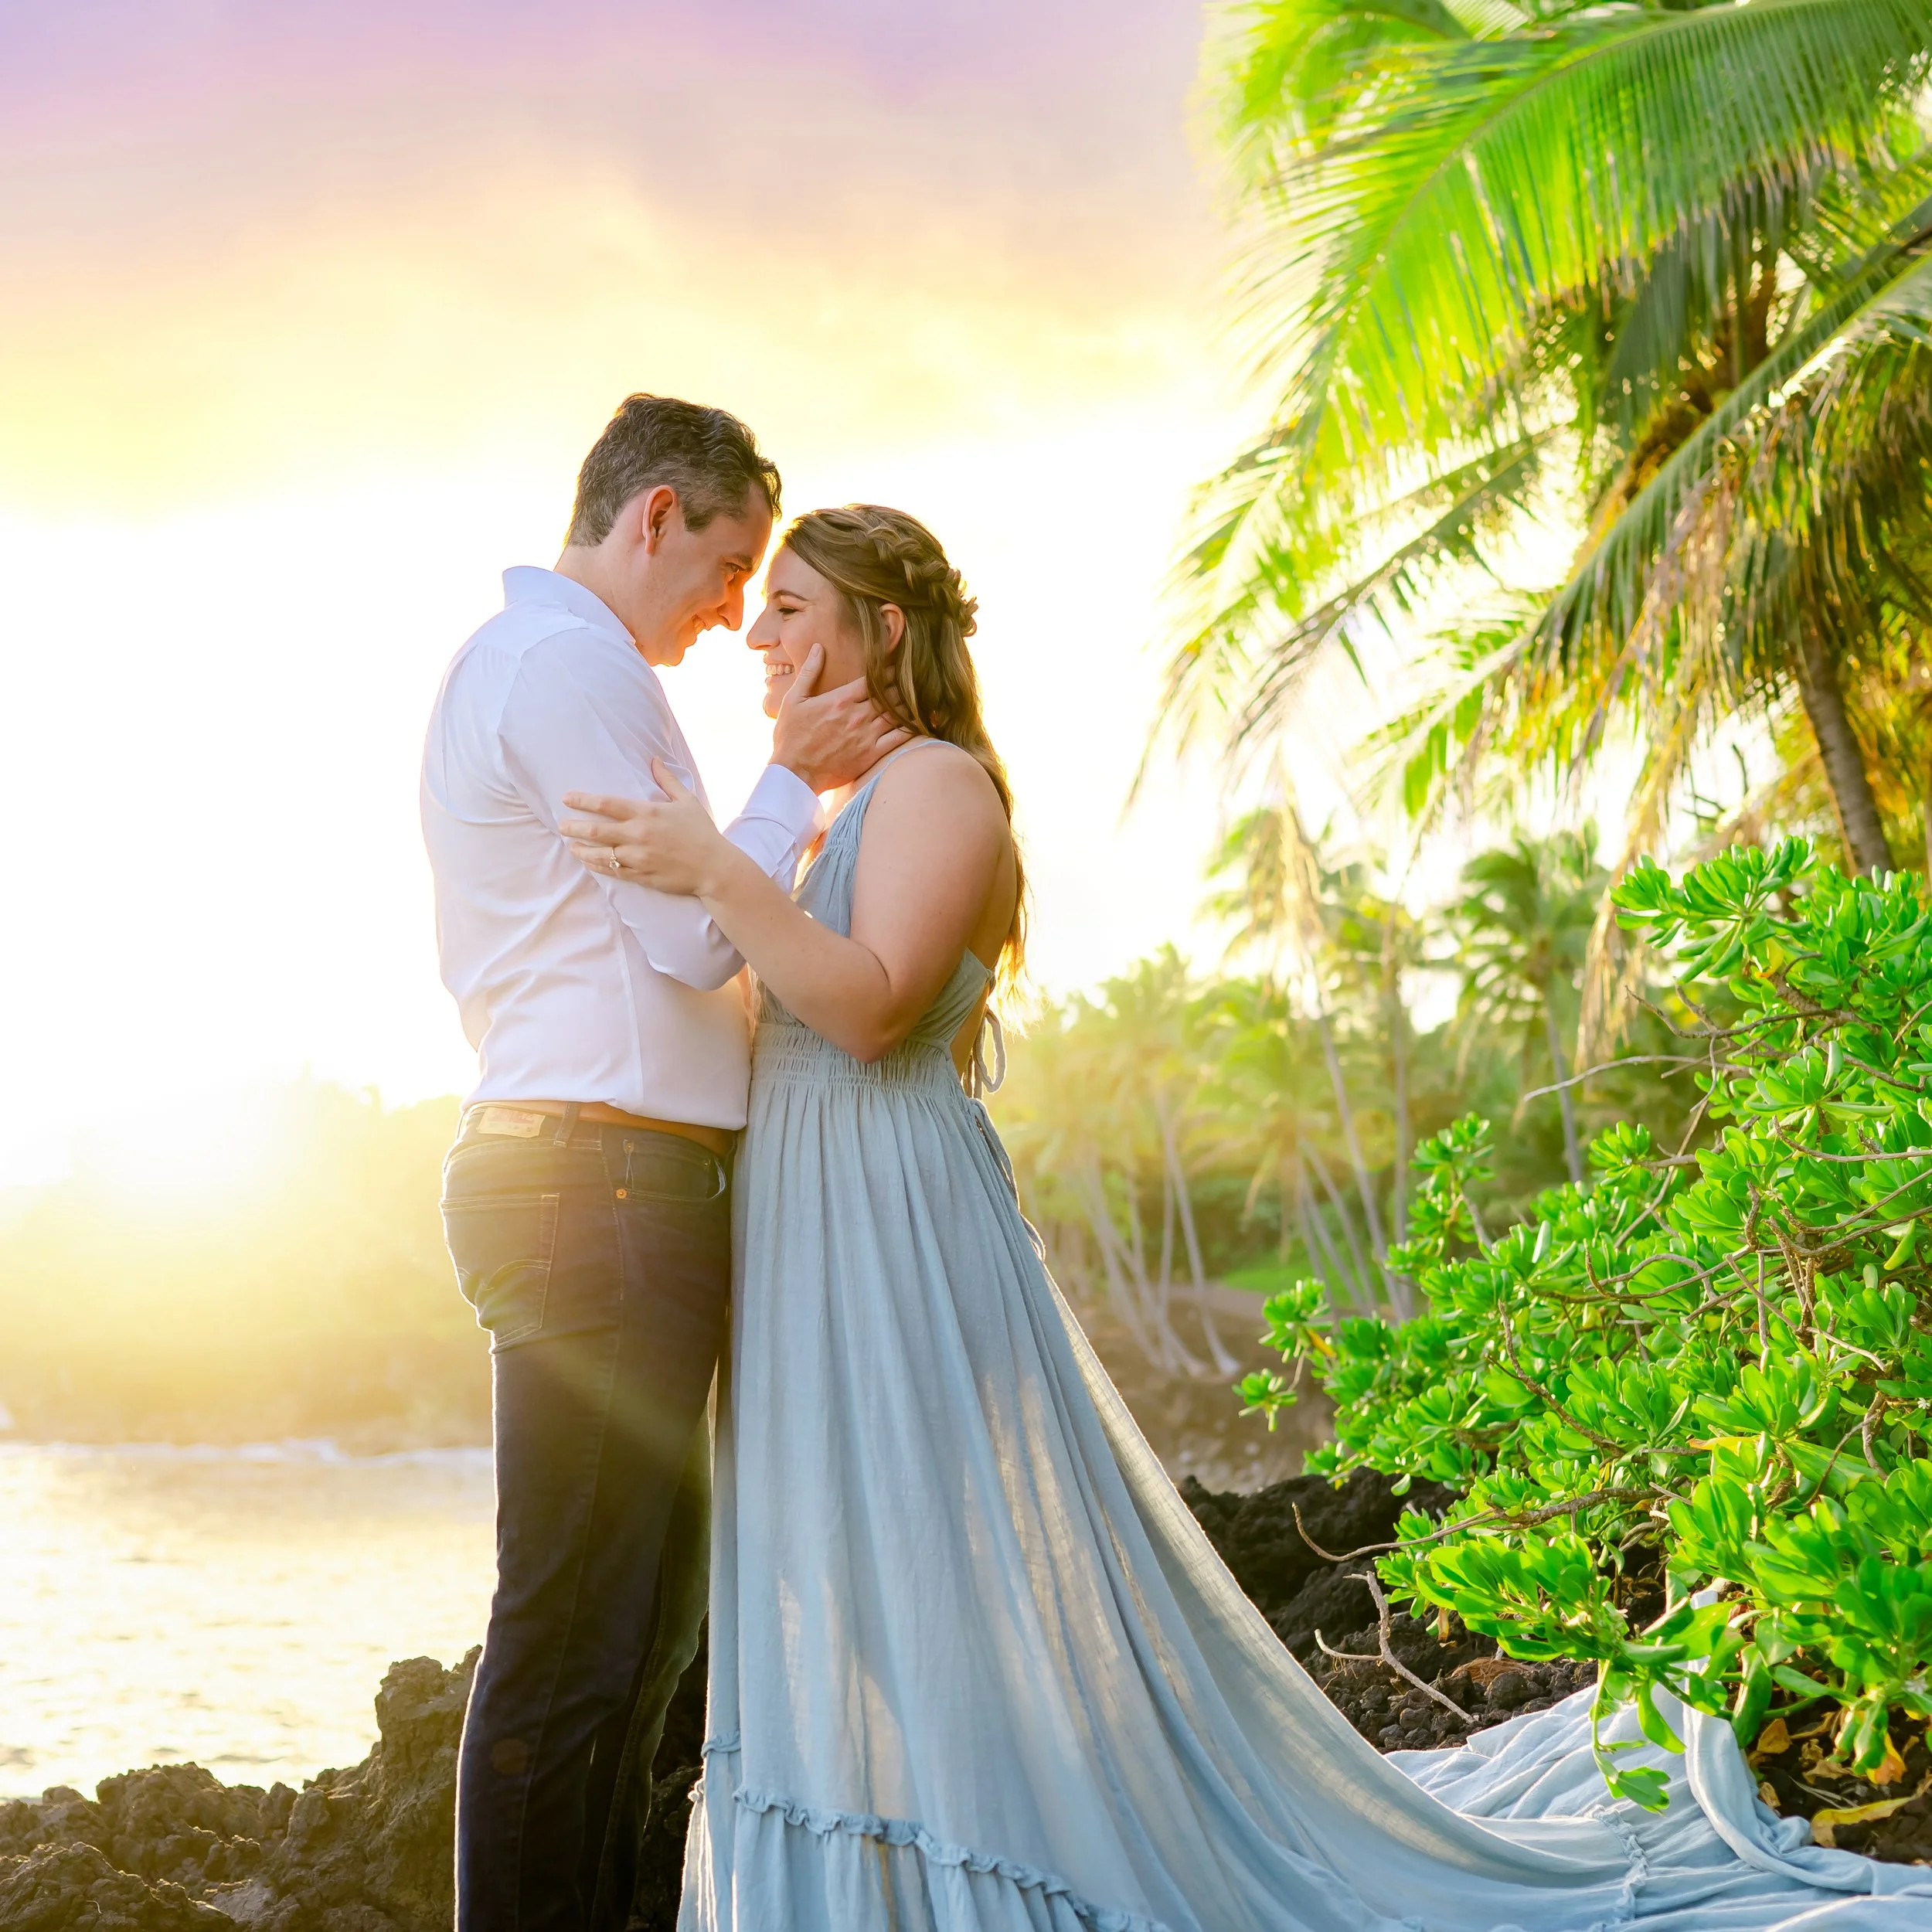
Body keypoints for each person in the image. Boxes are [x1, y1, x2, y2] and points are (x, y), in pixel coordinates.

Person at [560, 505, 1932, 1932]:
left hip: (893, 1217)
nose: (757, 639)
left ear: (879, 629)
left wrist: (716, 861)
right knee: (853, 1562)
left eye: (789, 608)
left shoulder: (938, 787)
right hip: (810, 1224)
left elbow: (868, 1007)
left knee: (924, 1551)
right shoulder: (836, 805)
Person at [420, 396, 898, 1932]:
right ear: (654, 516)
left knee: (631, 1635)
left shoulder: (547, 663)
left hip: (604, 1182)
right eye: (728, 558)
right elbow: (694, 931)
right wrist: (788, 779)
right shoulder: (571, 665)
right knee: (578, 1634)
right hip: (597, 1186)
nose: (734, 606)